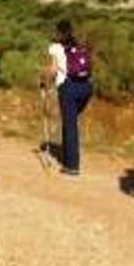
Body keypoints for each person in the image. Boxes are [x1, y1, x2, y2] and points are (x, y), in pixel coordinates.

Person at [43, 20, 93, 176]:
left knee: (70, 124)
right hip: (86, 87)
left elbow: (52, 69)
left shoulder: (55, 47)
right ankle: (68, 154)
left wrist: (45, 82)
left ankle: (72, 165)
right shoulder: (80, 45)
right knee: (70, 121)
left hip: (68, 87)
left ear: (58, 32)